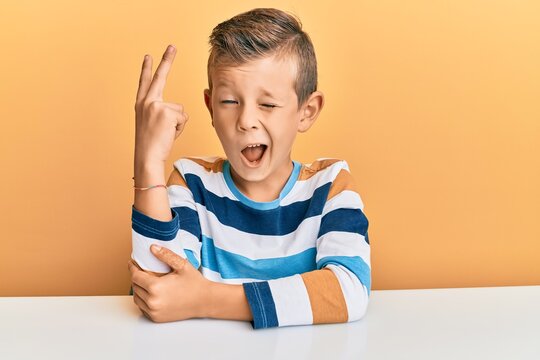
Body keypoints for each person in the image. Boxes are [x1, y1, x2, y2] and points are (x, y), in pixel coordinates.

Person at [128, 7, 371, 330]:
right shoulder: (191, 182)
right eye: (229, 101)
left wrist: (206, 298)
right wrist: (148, 162)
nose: (245, 121)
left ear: (306, 111)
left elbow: (347, 291)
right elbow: (158, 292)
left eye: (268, 104)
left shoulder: (330, 186)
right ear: (210, 106)